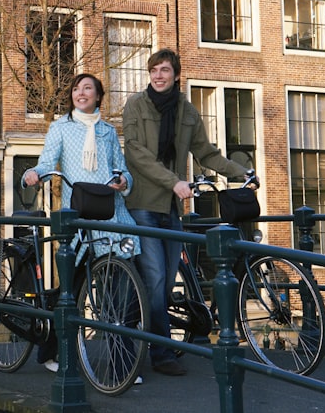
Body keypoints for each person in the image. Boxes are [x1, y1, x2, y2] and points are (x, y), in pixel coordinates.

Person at [123, 48, 255, 377]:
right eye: (154, 70)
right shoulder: (135, 105)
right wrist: (174, 182)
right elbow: (135, 153)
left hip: (171, 208)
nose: (158, 76)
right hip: (142, 204)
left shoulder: (187, 112)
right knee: (155, 278)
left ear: (176, 75)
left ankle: (128, 338)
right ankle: (161, 352)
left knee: (166, 282)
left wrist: (243, 174)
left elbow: (207, 153)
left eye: (164, 70)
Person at [23, 72, 141, 374]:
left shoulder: (108, 131)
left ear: (98, 96)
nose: (81, 92)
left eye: (88, 88)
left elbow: (123, 170)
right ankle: (53, 353)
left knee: (121, 298)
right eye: (76, 88)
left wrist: (123, 181)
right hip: (78, 217)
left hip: (112, 216)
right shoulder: (60, 127)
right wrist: (33, 174)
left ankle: (123, 366)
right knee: (71, 292)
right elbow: (47, 162)